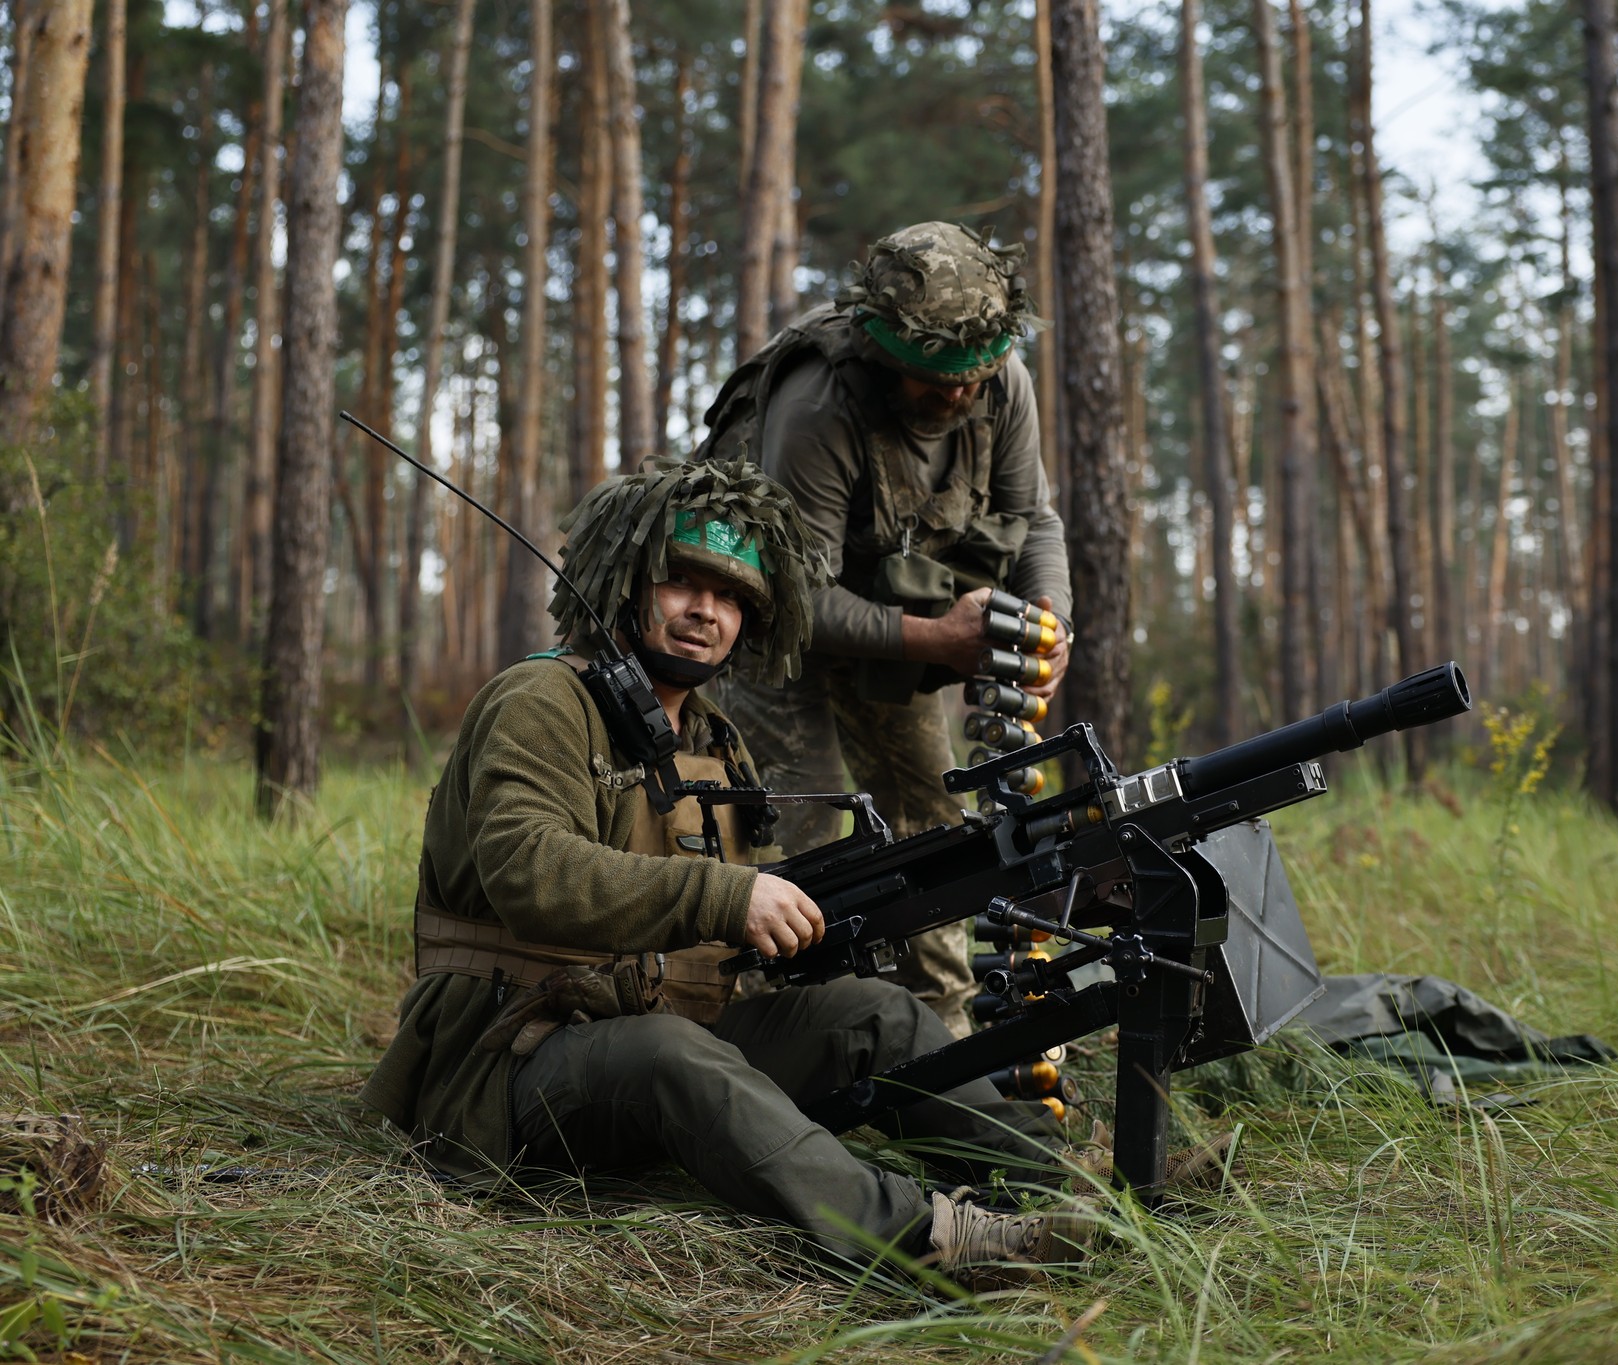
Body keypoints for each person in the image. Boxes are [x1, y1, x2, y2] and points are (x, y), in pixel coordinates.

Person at [360, 459, 1086, 1285]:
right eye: (682, 582)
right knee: (674, 1053)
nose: (708, 611)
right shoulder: (541, 700)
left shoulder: (714, 739)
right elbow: (528, 870)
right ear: (627, 581)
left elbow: (756, 921)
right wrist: (728, 895)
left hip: (672, 1034)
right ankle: (923, 1242)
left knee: (876, 1016)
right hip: (509, 1062)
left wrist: (853, 909)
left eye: (735, 596)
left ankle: (1062, 1194)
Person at [708, 222, 1072, 1039]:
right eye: (934, 381)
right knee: (791, 817)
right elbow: (793, 596)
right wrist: (937, 640)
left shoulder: (1001, 382)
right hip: (774, 619)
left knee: (933, 821)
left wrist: (1053, 626)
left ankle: (935, 1041)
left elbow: (1033, 519)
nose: (956, 398)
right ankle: (756, 1032)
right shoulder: (818, 409)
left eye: (971, 381)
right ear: (886, 355)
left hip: (897, 610)